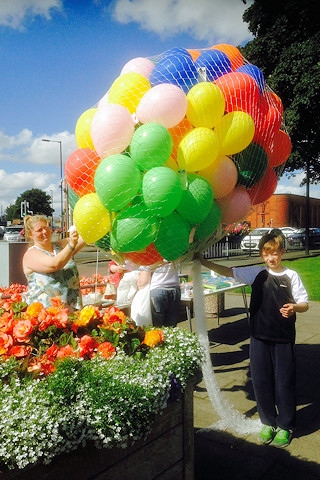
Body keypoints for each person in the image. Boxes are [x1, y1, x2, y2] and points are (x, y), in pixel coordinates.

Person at [198, 231, 308, 448]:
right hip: (258, 337)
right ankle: (268, 422)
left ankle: (285, 426)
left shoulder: (291, 276)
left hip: (282, 339)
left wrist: (294, 308)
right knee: (261, 381)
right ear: (262, 255)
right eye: (267, 254)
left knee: (284, 383)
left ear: (282, 253)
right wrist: (203, 262)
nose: (271, 258)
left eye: (275, 254)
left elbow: (304, 303)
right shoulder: (256, 274)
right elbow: (228, 271)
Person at [22, 215, 86, 311]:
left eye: (46, 227)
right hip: (46, 316)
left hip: (72, 310)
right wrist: (71, 244)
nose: (44, 232)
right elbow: (54, 264)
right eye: (39, 230)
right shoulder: (31, 254)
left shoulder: (60, 245)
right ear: (30, 235)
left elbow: (86, 237)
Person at [149, 262, 181, 328]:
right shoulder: (176, 253)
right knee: (171, 325)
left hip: (159, 288)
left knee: (158, 325)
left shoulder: (155, 254)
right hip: (173, 287)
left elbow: (147, 268)